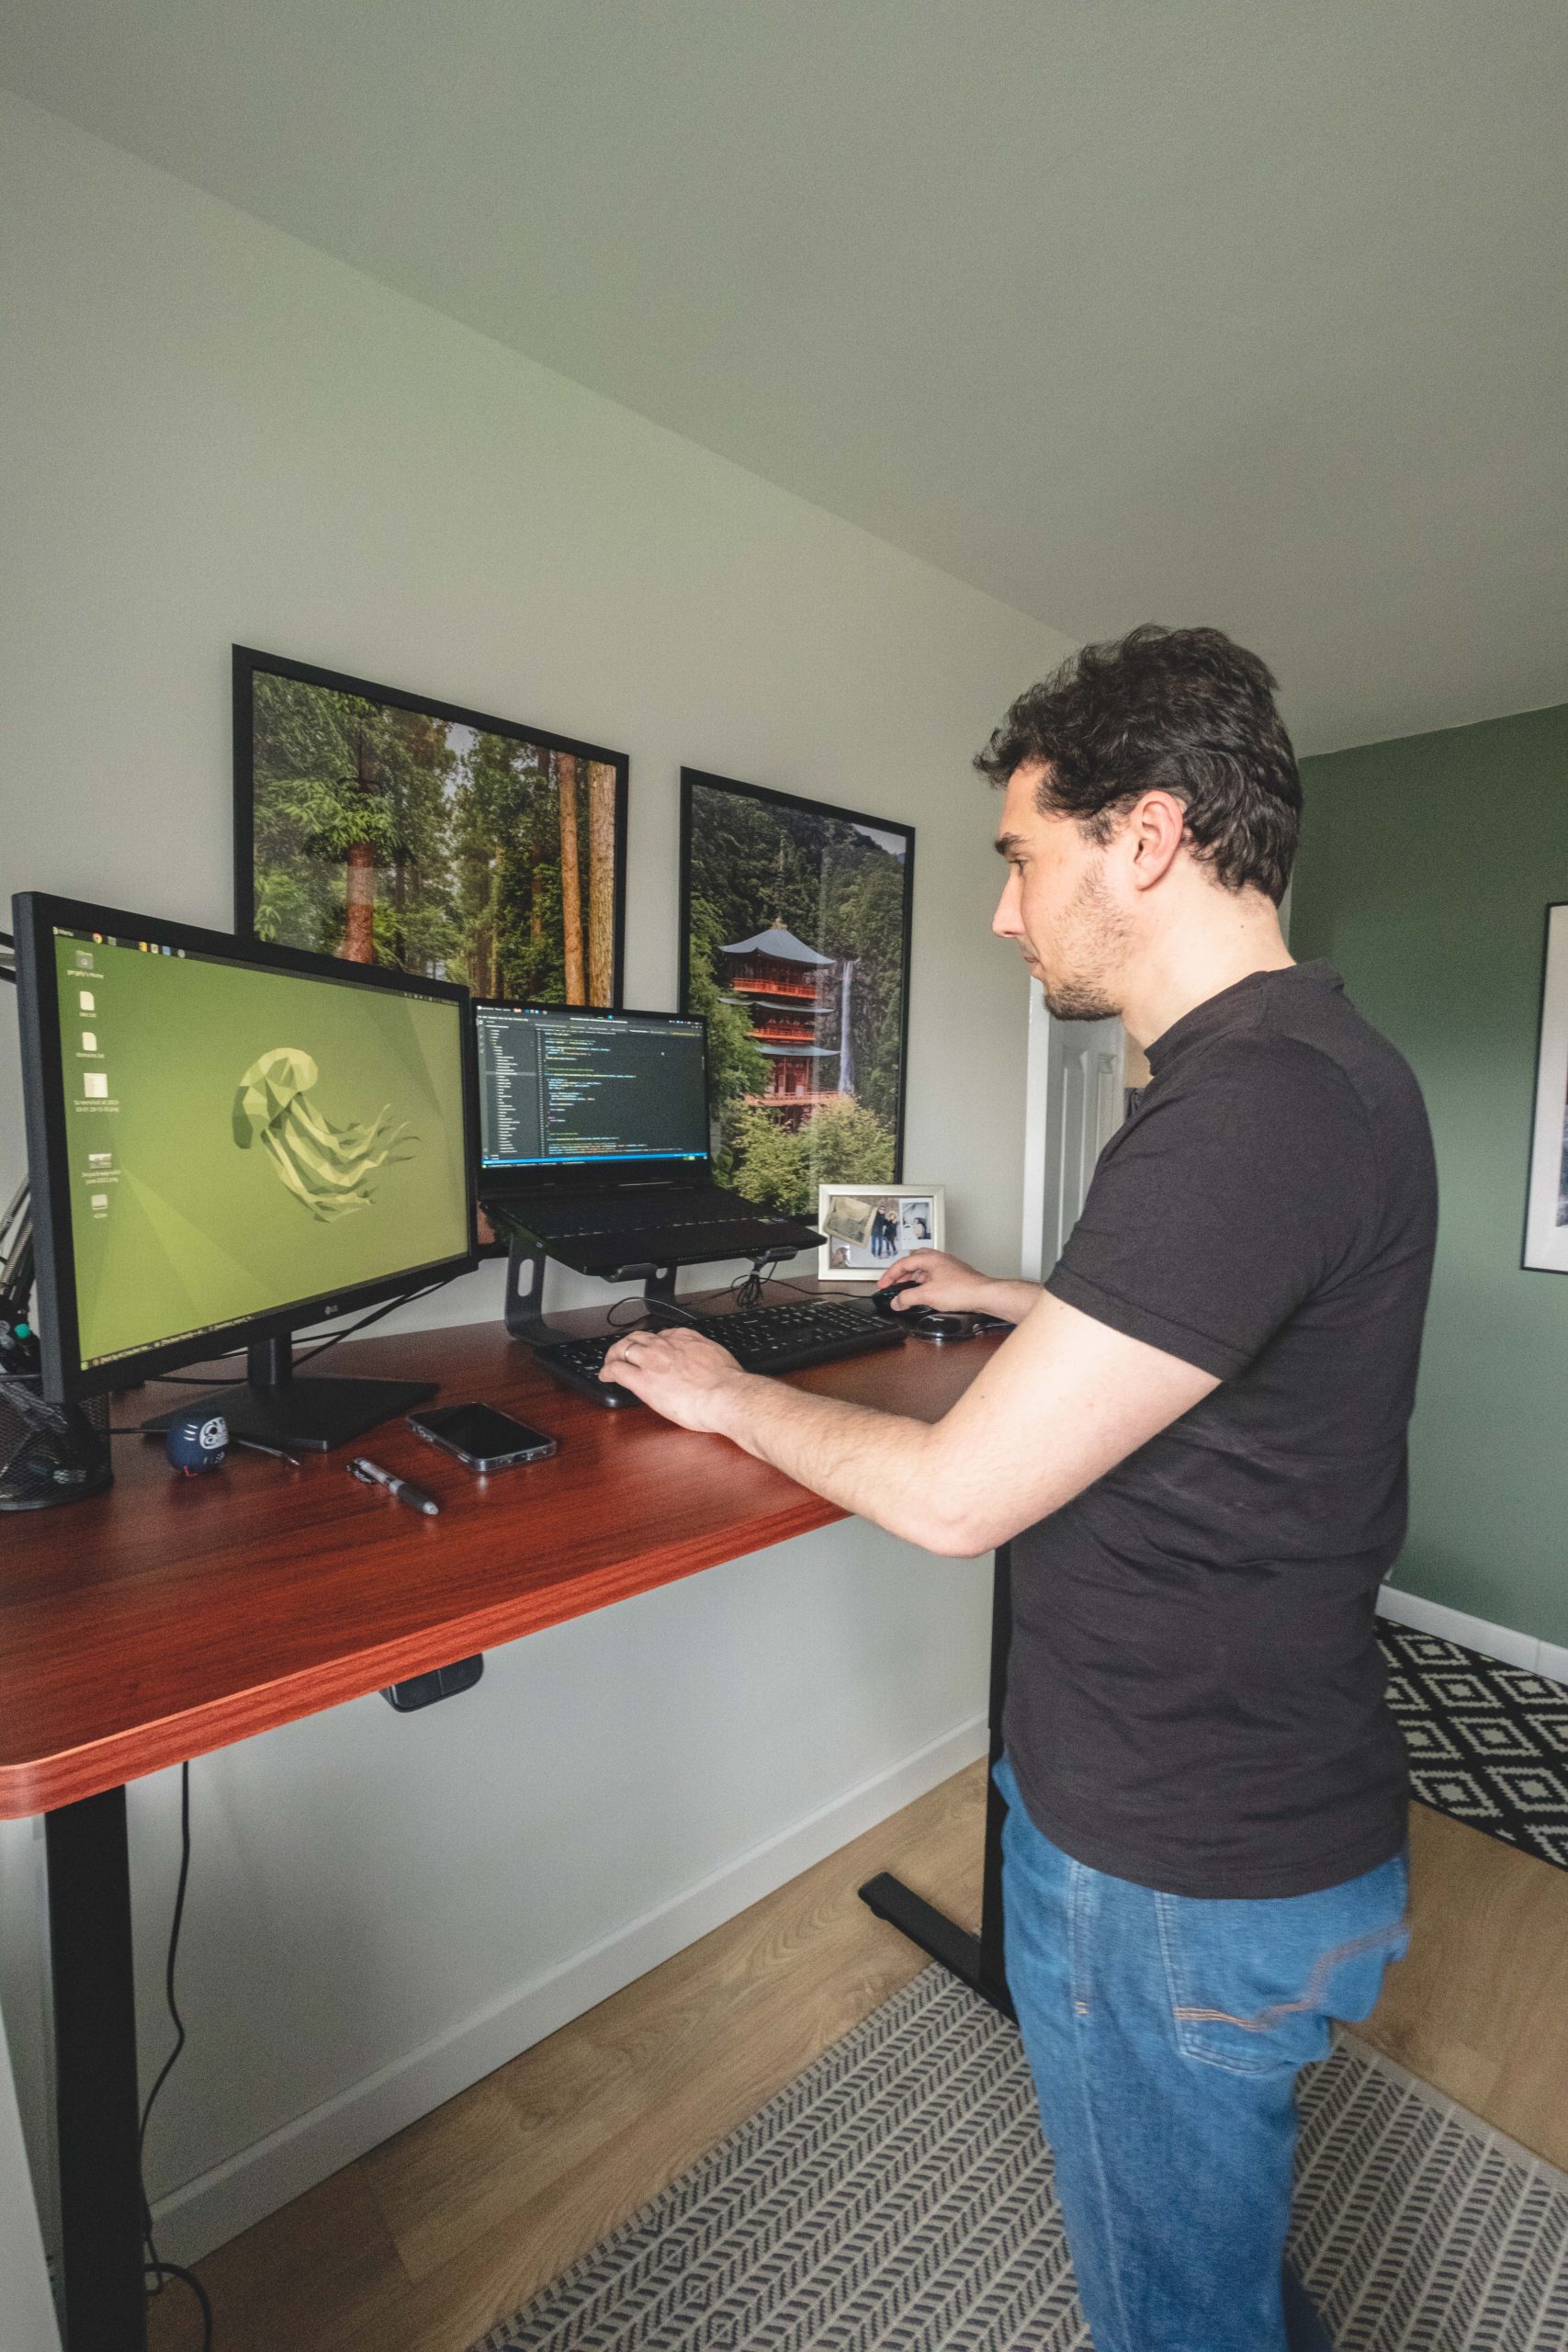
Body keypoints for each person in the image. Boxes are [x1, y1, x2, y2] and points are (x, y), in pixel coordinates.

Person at [600, 625, 1438, 2352]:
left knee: (1172, 2314)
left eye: (1019, 857)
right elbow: (1219, 1342)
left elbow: (959, 1497)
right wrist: (1024, 1303)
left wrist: (736, 1392)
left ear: (1145, 838)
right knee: (1211, 2252)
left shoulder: (1249, 1112)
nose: (1003, 913)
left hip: (1173, 1869)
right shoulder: (1328, 1069)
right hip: (1272, 1804)